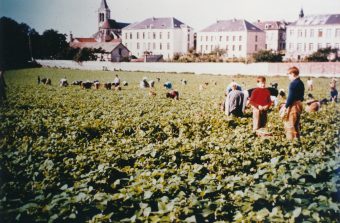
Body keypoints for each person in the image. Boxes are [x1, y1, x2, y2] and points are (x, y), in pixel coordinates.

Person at [281, 66, 305, 140]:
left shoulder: (293, 83)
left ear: (293, 74)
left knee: (290, 124)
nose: (288, 76)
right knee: (296, 124)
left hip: (294, 105)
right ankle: (297, 139)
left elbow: (291, 97)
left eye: (289, 74)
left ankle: (291, 141)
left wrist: (285, 107)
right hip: (299, 104)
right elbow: (302, 96)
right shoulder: (301, 82)